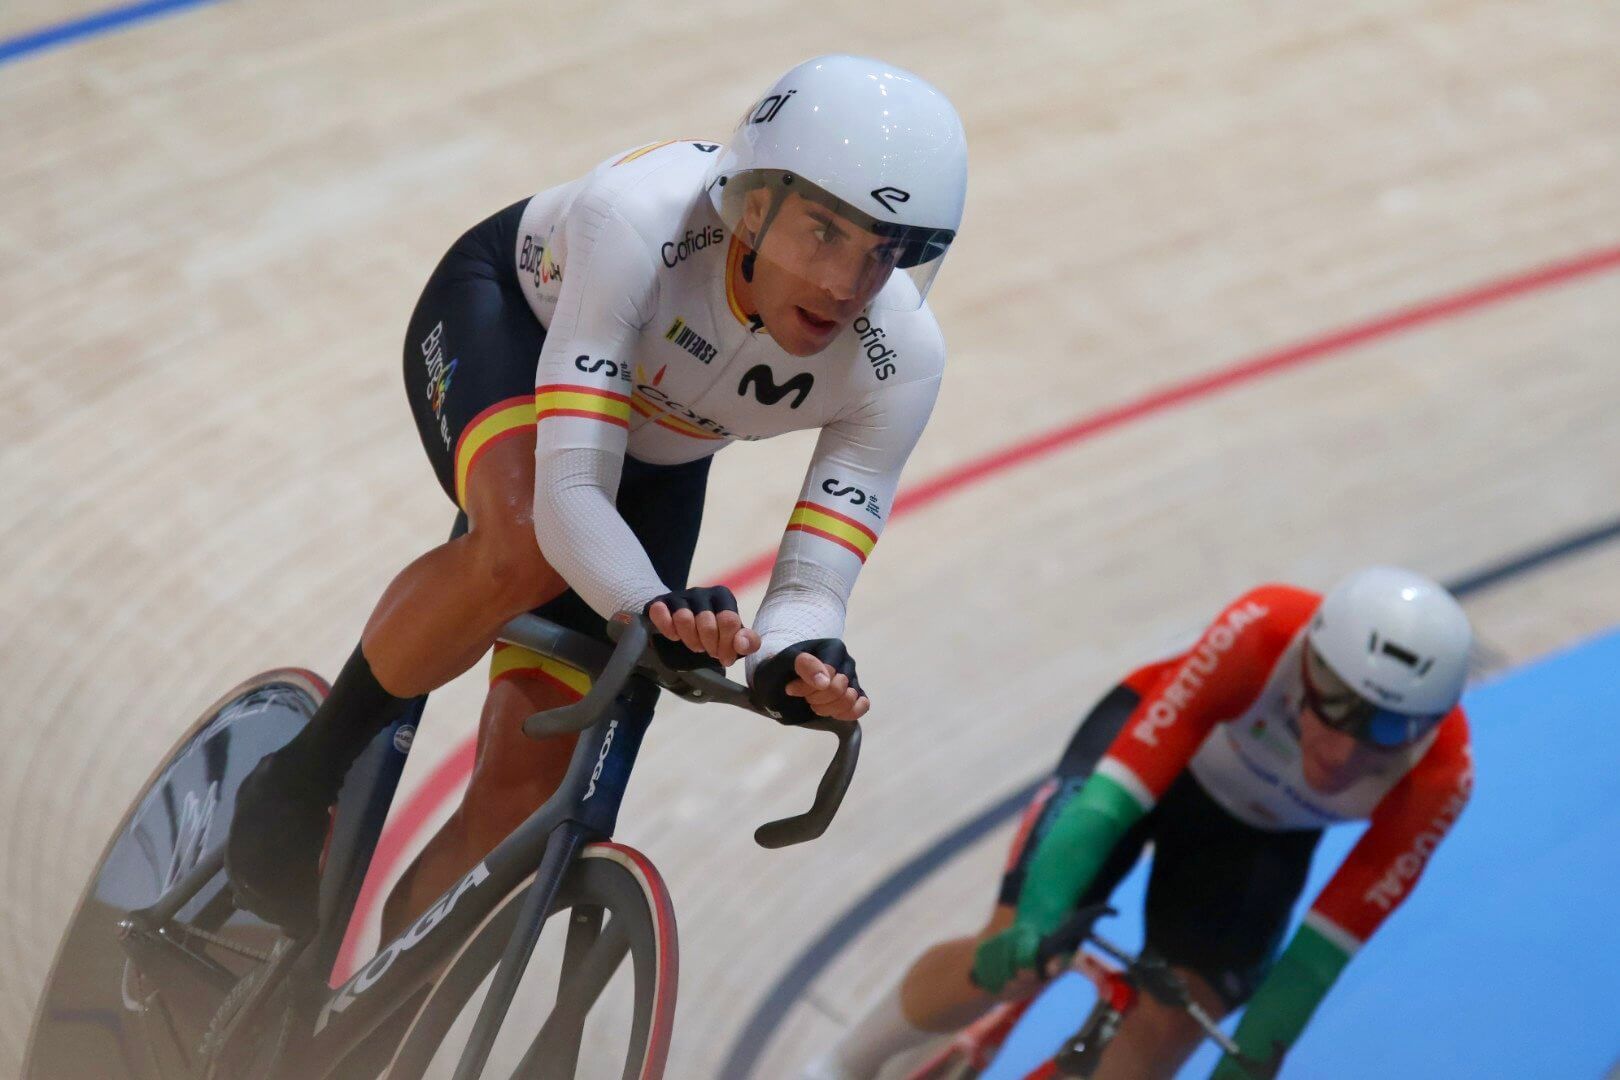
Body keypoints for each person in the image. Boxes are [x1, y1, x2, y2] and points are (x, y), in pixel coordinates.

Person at [223, 53, 968, 940]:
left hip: (658, 456)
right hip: (511, 330)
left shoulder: (901, 362)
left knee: (522, 805)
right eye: (824, 234)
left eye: (885, 255)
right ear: (756, 205)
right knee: (527, 546)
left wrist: (796, 665)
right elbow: (573, 492)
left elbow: (810, 589)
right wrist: (650, 607)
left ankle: (360, 1028)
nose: (847, 286)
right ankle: (298, 782)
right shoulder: (639, 220)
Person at [809, 566, 1476, 1079]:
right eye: (1333, 706)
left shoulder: (1441, 778)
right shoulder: (1265, 630)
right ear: (1309, 664)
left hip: (1261, 836)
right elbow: (1107, 805)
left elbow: (1316, 961)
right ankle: (838, 1067)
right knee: (1013, 953)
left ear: (1432, 720)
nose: (1343, 750)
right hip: (1153, 765)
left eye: (1388, 729)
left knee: (1174, 1026)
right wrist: (1040, 913)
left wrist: (1246, 1061)